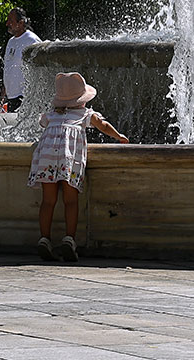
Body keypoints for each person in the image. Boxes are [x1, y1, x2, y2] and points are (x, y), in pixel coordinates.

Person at [28, 72, 128, 262]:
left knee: (48, 201)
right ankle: (69, 239)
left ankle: (44, 239)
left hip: (47, 159)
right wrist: (119, 136)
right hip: (69, 160)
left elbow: (42, 123)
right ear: (82, 100)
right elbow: (103, 125)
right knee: (70, 201)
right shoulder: (85, 114)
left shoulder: (51, 115)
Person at [3, 7, 41, 112]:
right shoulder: (11, 41)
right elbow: (8, 68)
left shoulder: (31, 40)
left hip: (25, 97)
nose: (7, 23)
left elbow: (40, 68)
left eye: (10, 20)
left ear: (21, 23)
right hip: (11, 97)